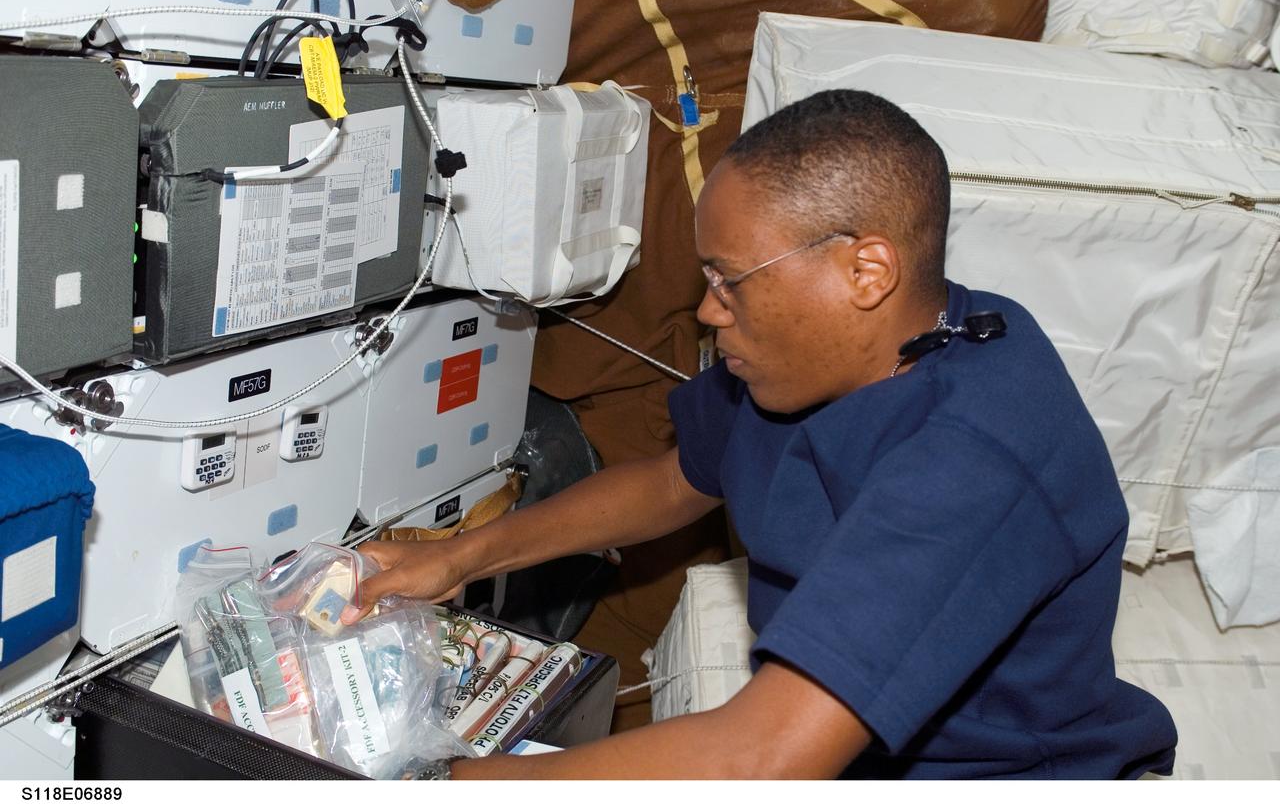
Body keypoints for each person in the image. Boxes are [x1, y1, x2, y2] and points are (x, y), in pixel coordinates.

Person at [342, 89, 1178, 779]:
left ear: (866, 271)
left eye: (729, 281)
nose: (708, 310)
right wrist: (459, 555)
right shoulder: (823, 358)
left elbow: (759, 757)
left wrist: (438, 782)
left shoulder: (975, 457)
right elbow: (676, 481)